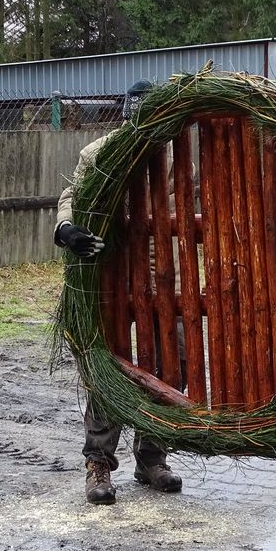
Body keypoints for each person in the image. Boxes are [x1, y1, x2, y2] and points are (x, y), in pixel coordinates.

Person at [55, 80, 183, 505]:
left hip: (165, 276)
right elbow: (72, 195)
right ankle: (98, 465)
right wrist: (67, 229)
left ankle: (151, 458)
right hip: (112, 275)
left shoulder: (177, 159)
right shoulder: (99, 154)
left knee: (167, 362)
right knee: (109, 366)